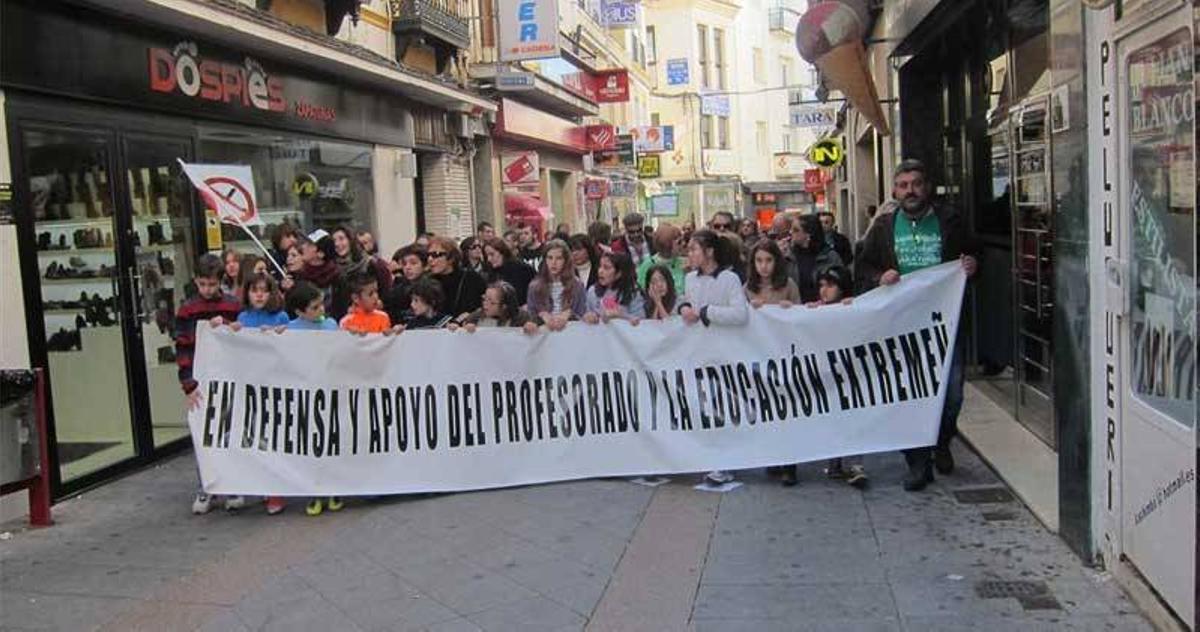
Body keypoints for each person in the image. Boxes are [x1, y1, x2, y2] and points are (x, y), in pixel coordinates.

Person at [856, 159, 978, 492]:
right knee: (909, 395)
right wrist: (879, 276)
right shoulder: (883, 227)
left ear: (927, 187)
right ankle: (918, 463)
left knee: (952, 395)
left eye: (916, 184)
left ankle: (942, 441)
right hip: (902, 328)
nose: (910, 190)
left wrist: (972, 265)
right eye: (903, 185)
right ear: (895, 191)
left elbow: (974, 253)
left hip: (945, 324)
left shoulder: (950, 220)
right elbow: (862, 266)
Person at [677, 230, 749, 487]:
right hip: (698, 352)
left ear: (709, 251)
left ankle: (727, 462)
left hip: (725, 353)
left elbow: (740, 314)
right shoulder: (690, 279)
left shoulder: (729, 279)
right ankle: (709, 457)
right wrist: (684, 308)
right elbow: (684, 300)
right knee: (704, 404)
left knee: (725, 405)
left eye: (694, 249)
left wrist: (708, 312)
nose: (690, 254)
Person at [176, 253, 242, 515]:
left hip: (227, 376)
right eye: (202, 284)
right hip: (200, 379)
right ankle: (207, 485)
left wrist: (228, 326)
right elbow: (182, 345)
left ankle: (231, 483)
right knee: (203, 433)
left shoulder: (232, 304)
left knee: (228, 430)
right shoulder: (187, 309)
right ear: (196, 281)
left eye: (212, 284)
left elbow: (241, 335)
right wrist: (188, 383)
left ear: (220, 281)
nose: (207, 289)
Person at [281, 281, 342, 516]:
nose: (321, 310)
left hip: (330, 391)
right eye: (315, 307)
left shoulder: (331, 325)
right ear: (299, 311)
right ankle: (315, 492)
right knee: (311, 445)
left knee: (332, 441)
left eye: (321, 305)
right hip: (305, 395)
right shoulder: (290, 330)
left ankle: (335, 489)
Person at [805, 265, 868, 489]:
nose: (824, 290)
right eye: (821, 285)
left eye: (830, 285)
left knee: (852, 415)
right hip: (826, 373)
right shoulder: (816, 310)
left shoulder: (851, 306)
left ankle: (856, 464)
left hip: (850, 373)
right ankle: (835, 462)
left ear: (842, 288)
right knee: (832, 415)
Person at [526, 239, 587, 330]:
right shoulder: (534, 287)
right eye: (550, 258)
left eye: (559, 258)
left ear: (566, 261)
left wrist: (570, 314)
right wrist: (541, 315)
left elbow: (582, 316)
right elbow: (530, 318)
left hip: (571, 334)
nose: (553, 263)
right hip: (544, 335)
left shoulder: (577, 286)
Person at [426, 236, 487, 323]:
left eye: (436, 254)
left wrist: (471, 316)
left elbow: (483, 307)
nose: (430, 259)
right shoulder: (427, 282)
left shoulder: (472, 278)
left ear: (451, 258)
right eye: (428, 255)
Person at [789, 214, 843, 303]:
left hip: (823, 307)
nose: (791, 232)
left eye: (796, 230)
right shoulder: (788, 256)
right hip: (796, 307)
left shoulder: (830, 256)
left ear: (808, 234)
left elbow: (841, 284)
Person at [584, 251, 645, 324]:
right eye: (600, 266)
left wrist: (621, 316)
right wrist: (589, 317)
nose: (600, 271)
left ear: (619, 273)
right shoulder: (592, 291)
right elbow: (586, 316)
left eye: (606, 268)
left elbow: (641, 322)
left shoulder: (633, 293)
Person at [452, 281, 537, 332]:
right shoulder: (478, 314)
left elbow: (539, 327)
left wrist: (532, 327)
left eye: (491, 302)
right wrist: (459, 326)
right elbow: (459, 323)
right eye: (484, 299)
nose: (485, 304)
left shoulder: (521, 317)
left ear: (504, 306)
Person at [744, 240, 800, 308]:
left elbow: (800, 311)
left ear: (776, 261)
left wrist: (792, 307)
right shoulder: (747, 288)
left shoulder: (789, 285)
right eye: (759, 260)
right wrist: (749, 307)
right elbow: (739, 312)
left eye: (769, 260)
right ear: (753, 262)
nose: (763, 266)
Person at [481, 237, 536, 304]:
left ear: (502, 252)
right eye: (487, 256)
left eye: (492, 254)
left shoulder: (522, 269)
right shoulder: (491, 273)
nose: (489, 259)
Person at [635, 223, 687, 292]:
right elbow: (641, 290)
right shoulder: (648, 265)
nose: (684, 243)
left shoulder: (685, 263)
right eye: (679, 242)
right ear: (667, 244)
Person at [383, 244, 428, 324]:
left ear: (425, 266)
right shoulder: (396, 290)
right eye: (404, 264)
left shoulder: (433, 287)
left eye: (413, 263)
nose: (407, 267)